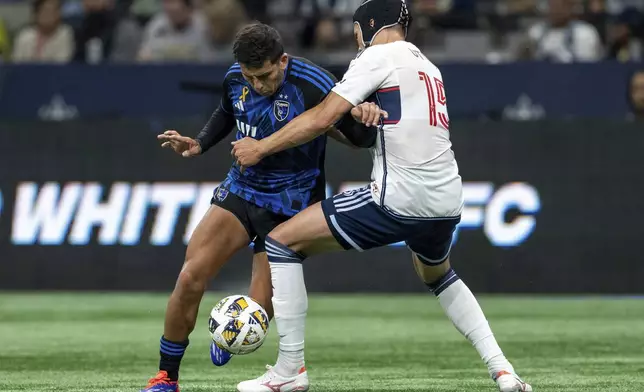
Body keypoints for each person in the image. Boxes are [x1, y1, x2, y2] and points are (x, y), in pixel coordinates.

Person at [231, 1, 533, 392]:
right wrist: (362, 112)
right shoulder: (427, 65)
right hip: (447, 198)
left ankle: (290, 372)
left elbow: (322, 117)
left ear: (367, 27)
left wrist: (261, 147)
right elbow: (396, 117)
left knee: (281, 243)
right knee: (436, 273)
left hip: (399, 197)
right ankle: (504, 371)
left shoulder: (376, 55)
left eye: (357, 32)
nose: (356, 40)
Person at [140, 22, 378, 392]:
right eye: (252, 78)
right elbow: (226, 111)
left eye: (265, 76)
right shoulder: (237, 77)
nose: (258, 85)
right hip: (242, 188)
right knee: (189, 277)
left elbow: (359, 138)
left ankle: (228, 337)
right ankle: (166, 377)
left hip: (292, 203)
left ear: (282, 60)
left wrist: (365, 115)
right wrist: (200, 144)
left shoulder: (315, 83)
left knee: (258, 310)